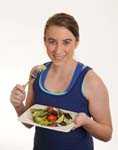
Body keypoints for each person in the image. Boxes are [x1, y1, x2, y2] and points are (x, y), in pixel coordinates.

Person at [10, 12, 112, 150]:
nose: (58, 50)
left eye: (66, 42)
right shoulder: (37, 72)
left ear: (77, 42)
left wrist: (86, 122)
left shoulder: (91, 81)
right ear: (45, 41)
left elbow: (107, 134)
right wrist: (18, 105)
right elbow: (29, 122)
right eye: (52, 41)